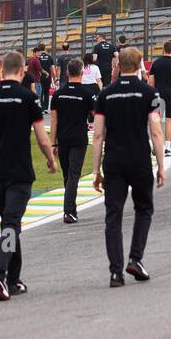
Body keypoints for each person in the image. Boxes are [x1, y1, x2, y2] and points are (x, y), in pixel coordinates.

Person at [0, 50, 57, 301]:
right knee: (11, 224)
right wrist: (51, 160)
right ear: (22, 70)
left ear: (0, 70)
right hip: (20, 172)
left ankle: (14, 280)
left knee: (10, 222)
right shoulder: (27, 97)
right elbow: (41, 137)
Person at [92, 46, 166, 286]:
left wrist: (95, 170)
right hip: (139, 159)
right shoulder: (149, 92)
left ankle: (115, 272)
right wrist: (161, 165)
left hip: (113, 161)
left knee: (113, 215)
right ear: (139, 64)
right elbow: (155, 130)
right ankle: (135, 258)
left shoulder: (105, 95)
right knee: (144, 209)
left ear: (117, 66)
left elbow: (98, 135)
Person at [53, 57, 97, 223]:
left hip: (63, 139)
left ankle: (70, 209)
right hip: (78, 139)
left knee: (68, 175)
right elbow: (96, 116)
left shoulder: (58, 95)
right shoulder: (87, 94)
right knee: (73, 174)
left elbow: (54, 122)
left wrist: (53, 143)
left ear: (66, 72)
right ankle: (68, 211)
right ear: (82, 72)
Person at [148, 41, 171, 155]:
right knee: (169, 120)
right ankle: (167, 148)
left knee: (156, 121)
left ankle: (156, 146)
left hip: (157, 94)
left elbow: (150, 82)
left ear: (163, 49)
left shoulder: (155, 63)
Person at [37, 44, 54, 111]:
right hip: (48, 77)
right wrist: (54, 77)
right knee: (47, 92)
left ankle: (42, 108)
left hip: (40, 77)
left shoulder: (38, 58)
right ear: (44, 49)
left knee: (41, 92)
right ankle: (46, 108)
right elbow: (52, 68)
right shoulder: (50, 57)